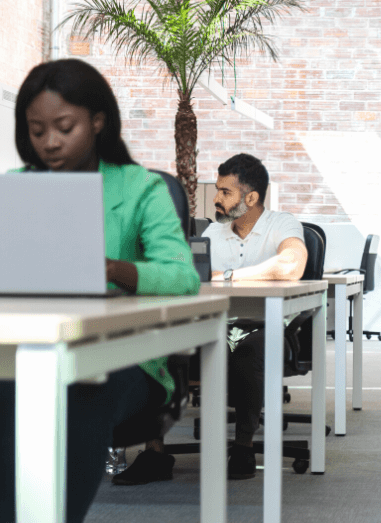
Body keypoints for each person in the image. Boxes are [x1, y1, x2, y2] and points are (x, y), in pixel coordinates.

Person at [0, 58, 200, 523]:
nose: (49, 142)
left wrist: (113, 269)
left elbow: (182, 276)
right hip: (25, 346)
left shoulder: (140, 188)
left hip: (125, 357)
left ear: (97, 120)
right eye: (36, 130)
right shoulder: (16, 188)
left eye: (63, 127)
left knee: (75, 391)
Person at [112, 153, 309, 483]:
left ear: (251, 198)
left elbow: (291, 264)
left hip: (266, 326)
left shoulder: (282, 223)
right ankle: (155, 452)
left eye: (225, 192)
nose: (215, 198)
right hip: (214, 324)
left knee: (251, 351)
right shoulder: (211, 236)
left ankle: (243, 445)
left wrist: (228, 276)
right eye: (217, 190)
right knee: (162, 345)